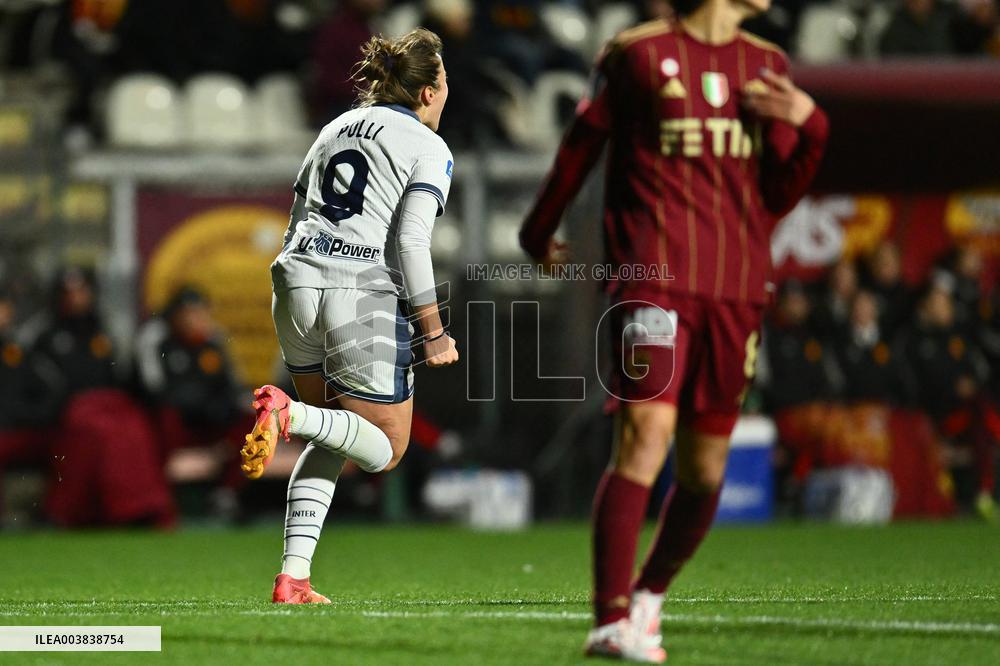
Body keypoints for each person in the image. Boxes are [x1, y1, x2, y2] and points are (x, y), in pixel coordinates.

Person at [519, 1, 828, 660]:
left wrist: (813, 128)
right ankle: (609, 620)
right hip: (652, 275)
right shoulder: (636, 54)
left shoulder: (766, 65)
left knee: (703, 469)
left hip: (736, 289)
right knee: (644, 433)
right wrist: (537, 228)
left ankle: (649, 596)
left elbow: (774, 195)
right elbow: (582, 146)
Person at [242, 29, 459, 604]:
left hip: (292, 280)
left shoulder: (333, 128)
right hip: (356, 289)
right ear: (430, 91)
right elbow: (412, 241)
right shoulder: (428, 146)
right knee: (386, 449)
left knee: (333, 433)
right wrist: (433, 331)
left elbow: (295, 216)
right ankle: (285, 413)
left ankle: (294, 577)